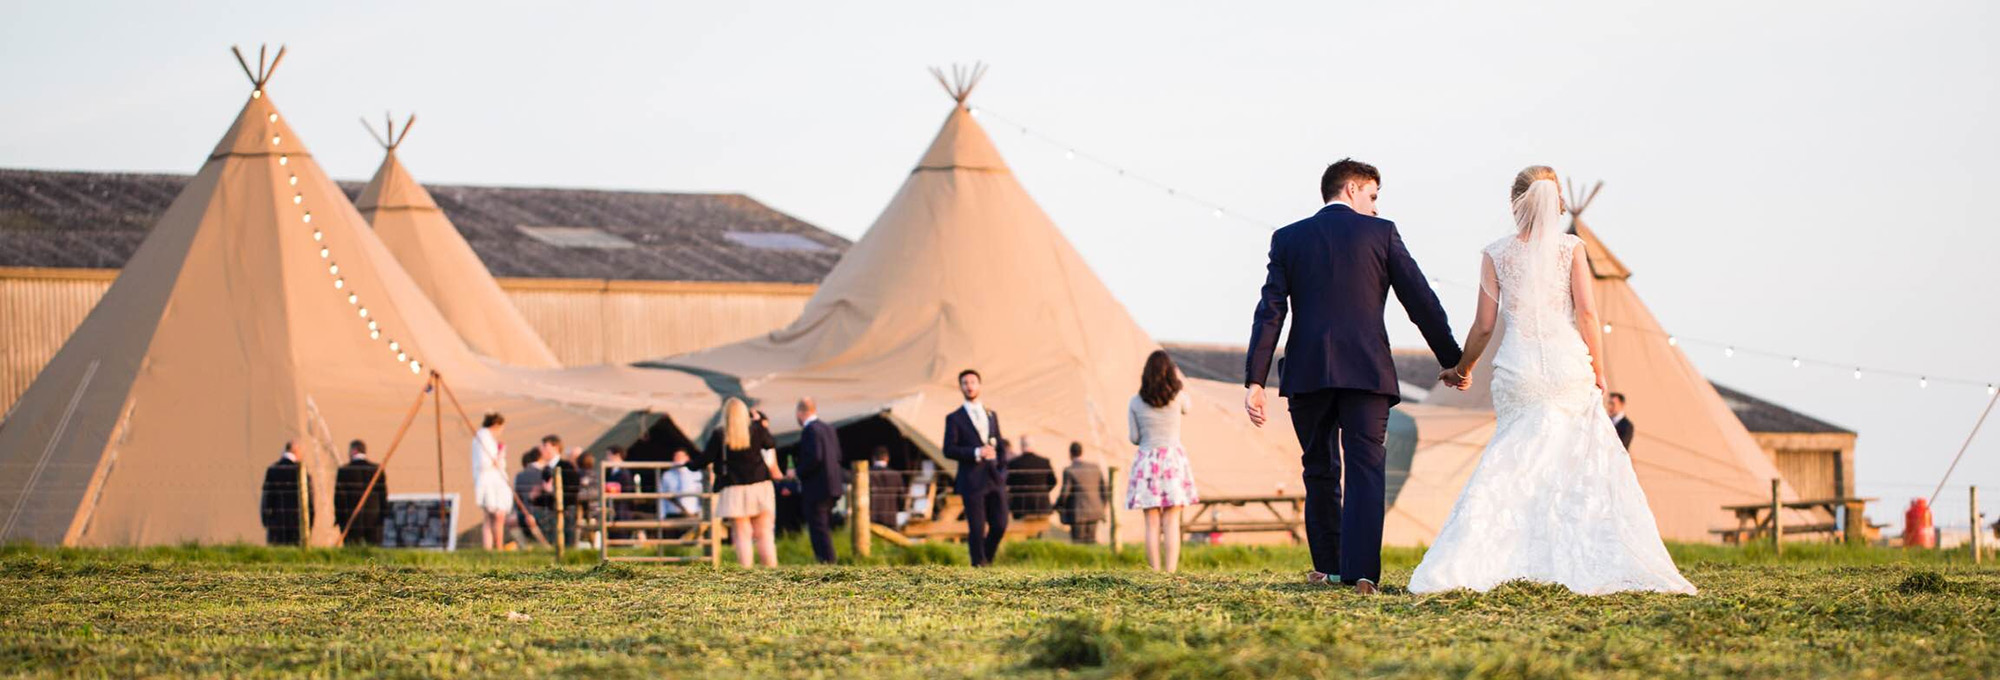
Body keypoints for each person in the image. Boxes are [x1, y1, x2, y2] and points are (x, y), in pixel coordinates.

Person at [1408, 166, 1694, 595]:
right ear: (1556, 202)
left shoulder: (1497, 253)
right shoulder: (1571, 249)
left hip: (1519, 370)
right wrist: (1598, 370)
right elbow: (1588, 314)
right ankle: (1573, 555)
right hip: (1566, 367)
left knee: (1512, 462)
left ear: (1515, 203)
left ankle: (1477, 560)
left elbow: (1484, 326)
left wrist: (1463, 368)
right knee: (1577, 466)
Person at [1244, 158, 1464, 594]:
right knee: (1366, 469)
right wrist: (1451, 360)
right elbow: (1420, 300)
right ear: (1351, 189)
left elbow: (1271, 311)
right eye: (1373, 196)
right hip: (1367, 371)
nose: (1377, 207)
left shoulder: (1288, 238)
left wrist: (1255, 379)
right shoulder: (1381, 235)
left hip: (1307, 374)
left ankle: (1326, 567)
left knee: (1319, 468)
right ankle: (1363, 574)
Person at [687, 397, 781, 568]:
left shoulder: (720, 434)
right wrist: (760, 422)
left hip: (734, 489)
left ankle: (746, 571)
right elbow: (771, 443)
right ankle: (771, 569)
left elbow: (705, 458)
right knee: (764, 533)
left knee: (742, 535)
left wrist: (689, 465)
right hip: (760, 486)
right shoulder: (756, 429)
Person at [1128, 351, 1200, 572]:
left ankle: (1154, 571)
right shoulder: (1177, 397)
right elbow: (1189, 407)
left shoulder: (1135, 401)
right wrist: (1178, 378)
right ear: (1170, 372)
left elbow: (1134, 438)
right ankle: (1170, 571)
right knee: (1171, 522)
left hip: (1147, 461)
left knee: (1151, 522)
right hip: (1172, 462)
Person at [793, 398, 845, 564]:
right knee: (824, 526)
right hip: (833, 485)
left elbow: (814, 457)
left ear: (800, 413)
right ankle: (828, 560)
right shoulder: (829, 428)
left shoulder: (810, 430)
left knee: (818, 527)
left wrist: (797, 472)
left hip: (817, 487)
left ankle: (826, 561)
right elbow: (837, 455)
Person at [470, 413, 514, 551]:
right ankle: (498, 546)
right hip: (491, 481)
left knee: (489, 517)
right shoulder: (484, 438)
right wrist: (499, 455)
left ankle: (488, 548)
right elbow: (487, 462)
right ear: (496, 425)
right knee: (497, 515)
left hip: (487, 480)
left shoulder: (481, 437)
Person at [260, 440, 315, 546]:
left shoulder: (273, 470)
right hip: (298, 527)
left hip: (276, 526)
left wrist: (267, 521)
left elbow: (266, 500)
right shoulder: (302, 472)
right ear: (296, 452)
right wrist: (310, 524)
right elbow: (310, 503)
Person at [333, 439, 387, 547]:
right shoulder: (376, 469)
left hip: (351, 518)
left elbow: (339, 498)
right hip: (373, 518)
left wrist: (339, 518)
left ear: (353, 451)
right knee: (374, 553)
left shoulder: (344, 471)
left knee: (351, 552)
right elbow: (383, 496)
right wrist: (381, 517)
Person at [1056, 441, 1108, 544]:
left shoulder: (1069, 471)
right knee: (1091, 541)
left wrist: (1058, 505)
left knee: (1078, 543)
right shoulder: (1095, 468)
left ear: (1070, 454)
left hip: (1078, 514)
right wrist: (1102, 506)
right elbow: (1104, 491)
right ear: (1081, 452)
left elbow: (1065, 493)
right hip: (1095, 511)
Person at [537, 438, 582, 547]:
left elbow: (573, 489)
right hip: (549, 511)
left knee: (566, 541)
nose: (542, 450)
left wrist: (553, 491)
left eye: (545, 446)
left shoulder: (566, 466)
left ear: (555, 447)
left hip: (566, 510)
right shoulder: (546, 469)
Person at [1007, 435, 1057, 519]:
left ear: (1021, 446)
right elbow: (1053, 482)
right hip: (1041, 505)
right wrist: (1042, 491)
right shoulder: (1044, 462)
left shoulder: (1013, 463)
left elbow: (1009, 483)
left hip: (1021, 507)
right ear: (1033, 446)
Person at [512, 449, 547, 547]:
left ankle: (525, 547)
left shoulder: (519, 476)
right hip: (542, 515)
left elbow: (517, 498)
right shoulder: (544, 473)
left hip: (523, 514)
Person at [867, 446, 906, 527]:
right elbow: (902, 497)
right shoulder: (896, 475)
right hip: (890, 518)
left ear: (873, 458)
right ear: (887, 458)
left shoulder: (867, 474)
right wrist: (899, 509)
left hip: (872, 519)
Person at [658, 448, 703, 519]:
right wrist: (661, 516)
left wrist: (702, 513)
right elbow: (661, 497)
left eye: (680, 456)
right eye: (676, 456)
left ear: (687, 458)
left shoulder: (697, 474)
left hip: (693, 514)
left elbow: (701, 496)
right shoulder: (667, 475)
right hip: (673, 515)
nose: (678, 459)